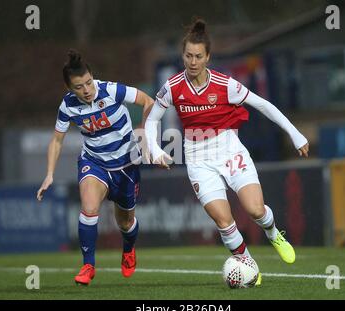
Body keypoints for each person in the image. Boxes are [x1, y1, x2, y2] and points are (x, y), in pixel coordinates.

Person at [145, 19, 309, 284]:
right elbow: (152, 119)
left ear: (208, 57)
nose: (193, 61)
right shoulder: (173, 87)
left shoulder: (225, 84)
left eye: (198, 56)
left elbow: (263, 105)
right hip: (198, 157)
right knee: (223, 220)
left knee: (255, 211)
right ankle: (248, 264)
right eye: (188, 55)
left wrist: (294, 133)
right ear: (182, 55)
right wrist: (154, 149)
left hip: (229, 150)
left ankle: (273, 233)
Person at [37, 50, 154, 285]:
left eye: (89, 82)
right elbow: (57, 140)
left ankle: (129, 249)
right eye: (79, 86)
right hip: (94, 162)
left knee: (125, 222)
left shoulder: (111, 90)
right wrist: (49, 174)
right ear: (70, 88)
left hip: (126, 164)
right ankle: (88, 265)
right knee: (89, 208)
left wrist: (144, 134)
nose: (87, 89)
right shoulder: (67, 106)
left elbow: (148, 101)